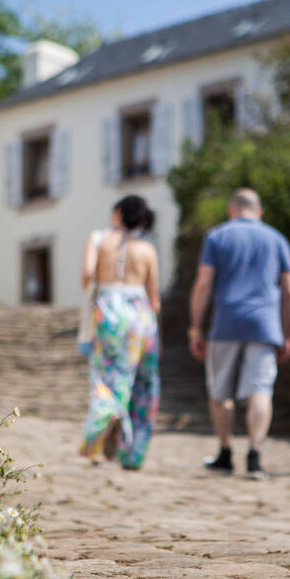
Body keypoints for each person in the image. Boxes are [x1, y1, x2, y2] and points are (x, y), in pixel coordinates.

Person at [188, 188, 290, 478]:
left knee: (220, 392)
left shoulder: (217, 236)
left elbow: (203, 285)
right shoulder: (277, 239)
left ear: (231, 210)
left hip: (226, 323)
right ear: (260, 211)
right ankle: (254, 454)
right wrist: (287, 334)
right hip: (265, 326)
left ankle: (225, 453)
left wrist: (195, 328)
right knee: (260, 390)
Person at [79, 195, 161, 470]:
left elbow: (87, 275)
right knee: (143, 383)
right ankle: (133, 453)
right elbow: (154, 296)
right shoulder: (147, 250)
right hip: (140, 314)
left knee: (105, 377)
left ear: (117, 214)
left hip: (108, 310)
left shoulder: (99, 240)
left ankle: (99, 441)